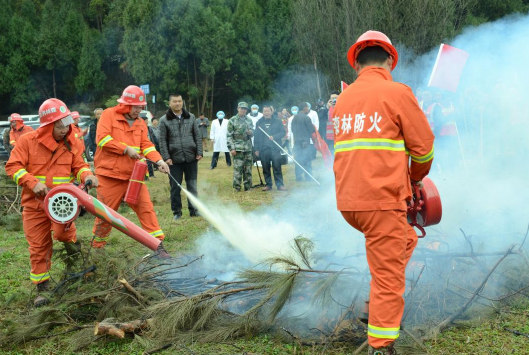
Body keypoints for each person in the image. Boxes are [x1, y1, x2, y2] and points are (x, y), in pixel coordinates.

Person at [333, 31, 434, 355]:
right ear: (390, 60)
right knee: (390, 278)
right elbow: (423, 149)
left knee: (405, 239)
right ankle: (381, 347)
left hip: (350, 203)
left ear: (356, 64)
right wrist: (415, 179)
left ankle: (371, 306)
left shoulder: (344, 100)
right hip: (380, 201)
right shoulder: (397, 91)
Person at [5, 98, 98, 307]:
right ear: (47, 125)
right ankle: (43, 289)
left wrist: (87, 176)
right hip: (34, 204)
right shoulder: (27, 142)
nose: (65, 129)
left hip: (62, 206)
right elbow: (12, 167)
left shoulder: (70, 144)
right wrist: (31, 182)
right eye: (60, 125)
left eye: (67, 124)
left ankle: (77, 268)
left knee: (64, 234)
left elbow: (80, 166)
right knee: (38, 246)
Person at [91, 85, 170, 248]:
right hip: (109, 176)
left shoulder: (140, 123)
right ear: (125, 104)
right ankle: (96, 249)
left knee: (146, 209)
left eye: (141, 107)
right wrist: (125, 149)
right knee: (105, 216)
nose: (138, 110)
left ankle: (158, 247)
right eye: (136, 107)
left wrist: (159, 161)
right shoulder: (108, 115)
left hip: (133, 176)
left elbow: (146, 145)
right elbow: (102, 139)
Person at [159, 94, 203, 220]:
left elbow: (197, 136)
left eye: (179, 101)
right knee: (175, 187)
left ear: (182, 102)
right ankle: (177, 212)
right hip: (174, 160)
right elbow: (162, 141)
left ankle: (194, 210)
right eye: (175, 101)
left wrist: (199, 151)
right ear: (169, 103)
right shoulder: (164, 120)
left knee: (192, 185)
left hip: (191, 157)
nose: (177, 103)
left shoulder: (191, 117)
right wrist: (166, 158)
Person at [254, 106, 287, 191]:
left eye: (268, 111)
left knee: (277, 167)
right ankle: (268, 184)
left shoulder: (278, 121)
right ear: (262, 112)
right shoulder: (259, 123)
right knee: (265, 167)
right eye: (265, 111)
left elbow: (283, 132)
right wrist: (256, 149)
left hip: (275, 148)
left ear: (271, 112)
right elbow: (256, 137)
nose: (266, 113)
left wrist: (274, 137)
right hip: (263, 149)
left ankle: (280, 185)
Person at [227, 102, 253, 191]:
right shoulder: (232, 120)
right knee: (238, 169)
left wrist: (251, 133)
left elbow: (252, 132)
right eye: (242, 108)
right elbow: (229, 136)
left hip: (248, 148)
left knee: (248, 169)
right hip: (237, 148)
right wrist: (232, 148)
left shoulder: (249, 120)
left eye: (245, 109)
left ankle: (248, 186)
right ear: (238, 108)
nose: (243, 110)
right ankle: (237, 187)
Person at [291, 102, 315, 181]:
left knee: (298, 160)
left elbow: (292, 129)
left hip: (297, 142)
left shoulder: (294, 118)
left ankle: (298, 177)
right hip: (305, 142)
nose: (308, 109)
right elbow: (311, 130)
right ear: (304, 108)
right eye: (307, 107)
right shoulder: (306, 118)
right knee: (307, 159)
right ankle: (308, 177)